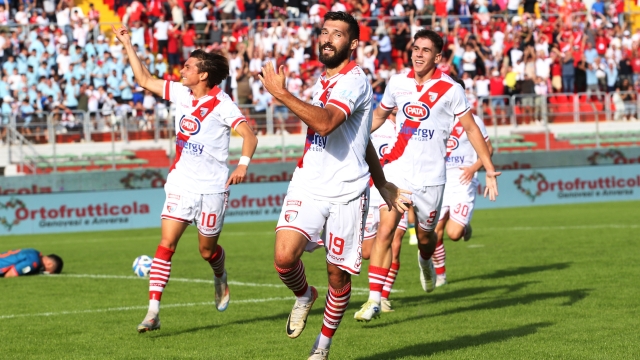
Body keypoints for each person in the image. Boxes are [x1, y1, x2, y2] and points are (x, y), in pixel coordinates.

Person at [259, 12, 409, 360]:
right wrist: (383, 180)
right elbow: (360, 139)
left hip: (346, 193)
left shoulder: (354, 81)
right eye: (324, 32)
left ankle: (322, 347)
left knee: (337, 277)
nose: (327, 38)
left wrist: (282, 94)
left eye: (338, 34)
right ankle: (303, 296)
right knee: (283, 258)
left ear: (352, 44)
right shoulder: (322, 80)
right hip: (308, 182)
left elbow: (325, 124)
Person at [112, 24, 258, 333]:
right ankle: (153, 311)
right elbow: (144, 79)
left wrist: (243, 165)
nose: (182, 70)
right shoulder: (181, 93)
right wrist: (128, 42)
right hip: (181, 182)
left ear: (203, 75)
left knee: (207, 251)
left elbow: (248, 134)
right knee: (167, 244)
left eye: (188, 66)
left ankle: (220, 275)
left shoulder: (223, 104)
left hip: (213, 187)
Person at [354, 29, 501, 322]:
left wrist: (487, 169)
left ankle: (425, 263)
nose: (418, 54)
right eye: (415, 49)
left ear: (437, 56)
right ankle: (373, 300)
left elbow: (472, 130)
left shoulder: (451, 89)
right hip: (397, 172)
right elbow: (381, 115)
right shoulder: (397, 82)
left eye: (425, 50)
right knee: (386, 232)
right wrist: (354, 139)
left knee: (426, 240)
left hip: (432, 179)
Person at [432, 77, 493, 287]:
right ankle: (440, 275)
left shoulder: (473, 120)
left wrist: (474, 168)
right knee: (434, 232)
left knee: (454, 234)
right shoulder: (435, 119)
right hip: (440, 181)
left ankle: (465, 228)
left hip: (463, 180)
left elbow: (489, 149)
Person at [361, 107, 408, 313]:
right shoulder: (374, 123)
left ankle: (381, 298)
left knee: (393, 239)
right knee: (366, 252)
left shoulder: (415, 124)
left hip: (399, 188)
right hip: (371, 189)